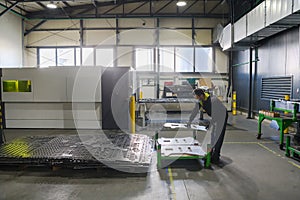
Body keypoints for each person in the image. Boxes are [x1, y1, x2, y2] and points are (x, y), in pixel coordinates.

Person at [187, 88, 228, 164]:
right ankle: (211, 154)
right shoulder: (200, 100)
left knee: (218, 136)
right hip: (215, 116)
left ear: (201, 95)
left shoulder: (213, 100)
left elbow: (216, 115)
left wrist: (210, 123)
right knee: (213, 135)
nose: (197, 99)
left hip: (222, 115)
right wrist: (189, 121)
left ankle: (216, 157)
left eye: (197, 97)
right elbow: (195, 110)